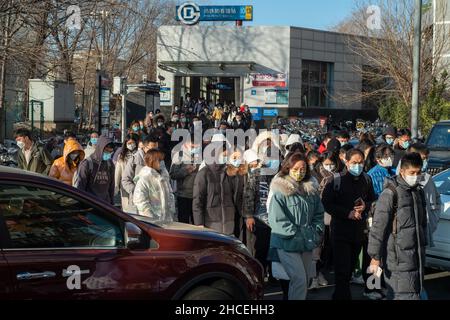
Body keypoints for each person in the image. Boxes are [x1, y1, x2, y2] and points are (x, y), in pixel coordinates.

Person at [368, 153, 428, 300]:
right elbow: (378, 227)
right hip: (396, 260)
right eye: (412, 173)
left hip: (416, 257)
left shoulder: (418, 191)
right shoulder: (390, 193)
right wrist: (375, 257)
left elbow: (422, 224)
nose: (416, 176)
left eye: (418, 172)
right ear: (402, 171)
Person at [267, 152, 325, 300]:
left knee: (303, 280)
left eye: (303, 168)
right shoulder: (280, 192)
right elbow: (277, 220)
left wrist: (315, 232)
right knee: (299, 279)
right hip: (287, 243)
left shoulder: (311, 191)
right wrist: (296, 233)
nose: (300, 172)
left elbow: (319, 214)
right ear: (288, 168)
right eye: (296, 168)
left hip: (307, 242)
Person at [321, 148, 376, 300]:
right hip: (340, 232)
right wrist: (347, 213)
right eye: (354, 163)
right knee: (342, 270)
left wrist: (366, 206)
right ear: (346, 162)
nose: (357, 166)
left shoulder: (366, 179)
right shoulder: (336, 179)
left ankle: (343, 294)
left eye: (360, 162)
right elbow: (326, 203)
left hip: (359, 232)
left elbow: (373, 200)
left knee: (350, 267)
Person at [309, 151, 339, 290]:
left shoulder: (337, 176)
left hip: (332, 214)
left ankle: (320, 272)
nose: (330, 167)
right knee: (316, 245)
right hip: (317, 215)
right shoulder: (314, 176)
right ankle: (313, 276)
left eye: (332, 164)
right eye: (327, 164)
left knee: (328, 245)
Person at [192, 147, 240, 235]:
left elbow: (235, 197)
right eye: (224, 155)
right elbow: (197, 200)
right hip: (211, 224)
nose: (225, 158)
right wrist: (199, 223)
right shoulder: (204, 173)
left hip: (229, 224)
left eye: (227, 155)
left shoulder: (228, 172)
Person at [406, 143, 441, 248]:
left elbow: (437, 201)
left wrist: (431, 222)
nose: (425, 162)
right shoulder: (398, 179)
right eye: (423, 158)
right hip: (405, 236)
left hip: (423, 232)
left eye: (426, 158)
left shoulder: (428, 179)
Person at [133, 149, 176, 222]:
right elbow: (140, 201)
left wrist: (171, 211)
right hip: (151, 223)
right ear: (151, 161)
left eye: (162, 160)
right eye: (159, 160)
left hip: (166, 221)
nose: (162, 162)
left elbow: (170, 194)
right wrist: (151, 218)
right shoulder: (145, 178)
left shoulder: (164, 176)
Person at [121, 135, 160, 213]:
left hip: (156, 203)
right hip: (138, 203)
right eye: (152, 149)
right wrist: (137, 190)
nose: (154, 152)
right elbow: (125, 180)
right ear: (145, 147)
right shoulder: (134, 159)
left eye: (156, 149)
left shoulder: (159, 160)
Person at [73, 136, 115, 205]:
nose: (108, 154)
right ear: (100, 149)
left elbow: (111, 185)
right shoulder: (86, 164)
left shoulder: (109, 163)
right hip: (90, 204)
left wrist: (112, 203)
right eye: (106, 151)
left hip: (106, 205)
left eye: (110, 152)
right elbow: (80, 186)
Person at [169, 135, 201, 224]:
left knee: (197, 223)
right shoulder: (179, 155)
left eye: (197, 147)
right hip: (184, 195)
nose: (195, 149)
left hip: (197, 195)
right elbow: (172, 174)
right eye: (193, 147)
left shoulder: (200, 155)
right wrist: (186, 170)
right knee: (184, 223)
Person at [114, 134, 139, 212]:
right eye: (129, 143)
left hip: (137, 184)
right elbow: (118, 172)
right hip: (125, 184)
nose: (131, 145)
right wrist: (116, 186)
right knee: (126, 207)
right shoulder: (122, 156)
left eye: (133, 143)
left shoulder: (139, 154)